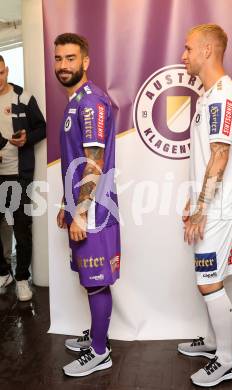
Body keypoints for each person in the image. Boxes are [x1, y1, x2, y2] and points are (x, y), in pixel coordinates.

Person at [178, 24, 232, 387]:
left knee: (208, 283)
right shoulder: (208, 97)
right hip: (210, 203)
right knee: (210, 280)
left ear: (207, 51)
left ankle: (226, 358)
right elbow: (207, 155)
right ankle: (211, 343)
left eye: (188, 49)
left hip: (219, 209)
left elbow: (220, 157)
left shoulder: (223, 97)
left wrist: (203, 207)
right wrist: (194, 198)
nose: (183, 55)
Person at [54, 33, 120, 377]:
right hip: (81, 205)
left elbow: (93, 162)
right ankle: (97, 337)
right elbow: (76, 158)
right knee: (89, 279)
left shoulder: (91, 101)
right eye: (59, 59)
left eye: (70, 58)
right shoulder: (75, 100)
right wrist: (67, 205)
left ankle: (99, 351)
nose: (63, 65)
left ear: (85, 62)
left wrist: (80, 210)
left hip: (94, 209)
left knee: (96, 280)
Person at [0, 55, 46, 301]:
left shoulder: (23, 97)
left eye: (0, 73)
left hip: (20, 175)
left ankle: (21, 279)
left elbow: (42, 127)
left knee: (21, 228)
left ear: (6, 70)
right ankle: (3, 272)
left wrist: (27, 138)